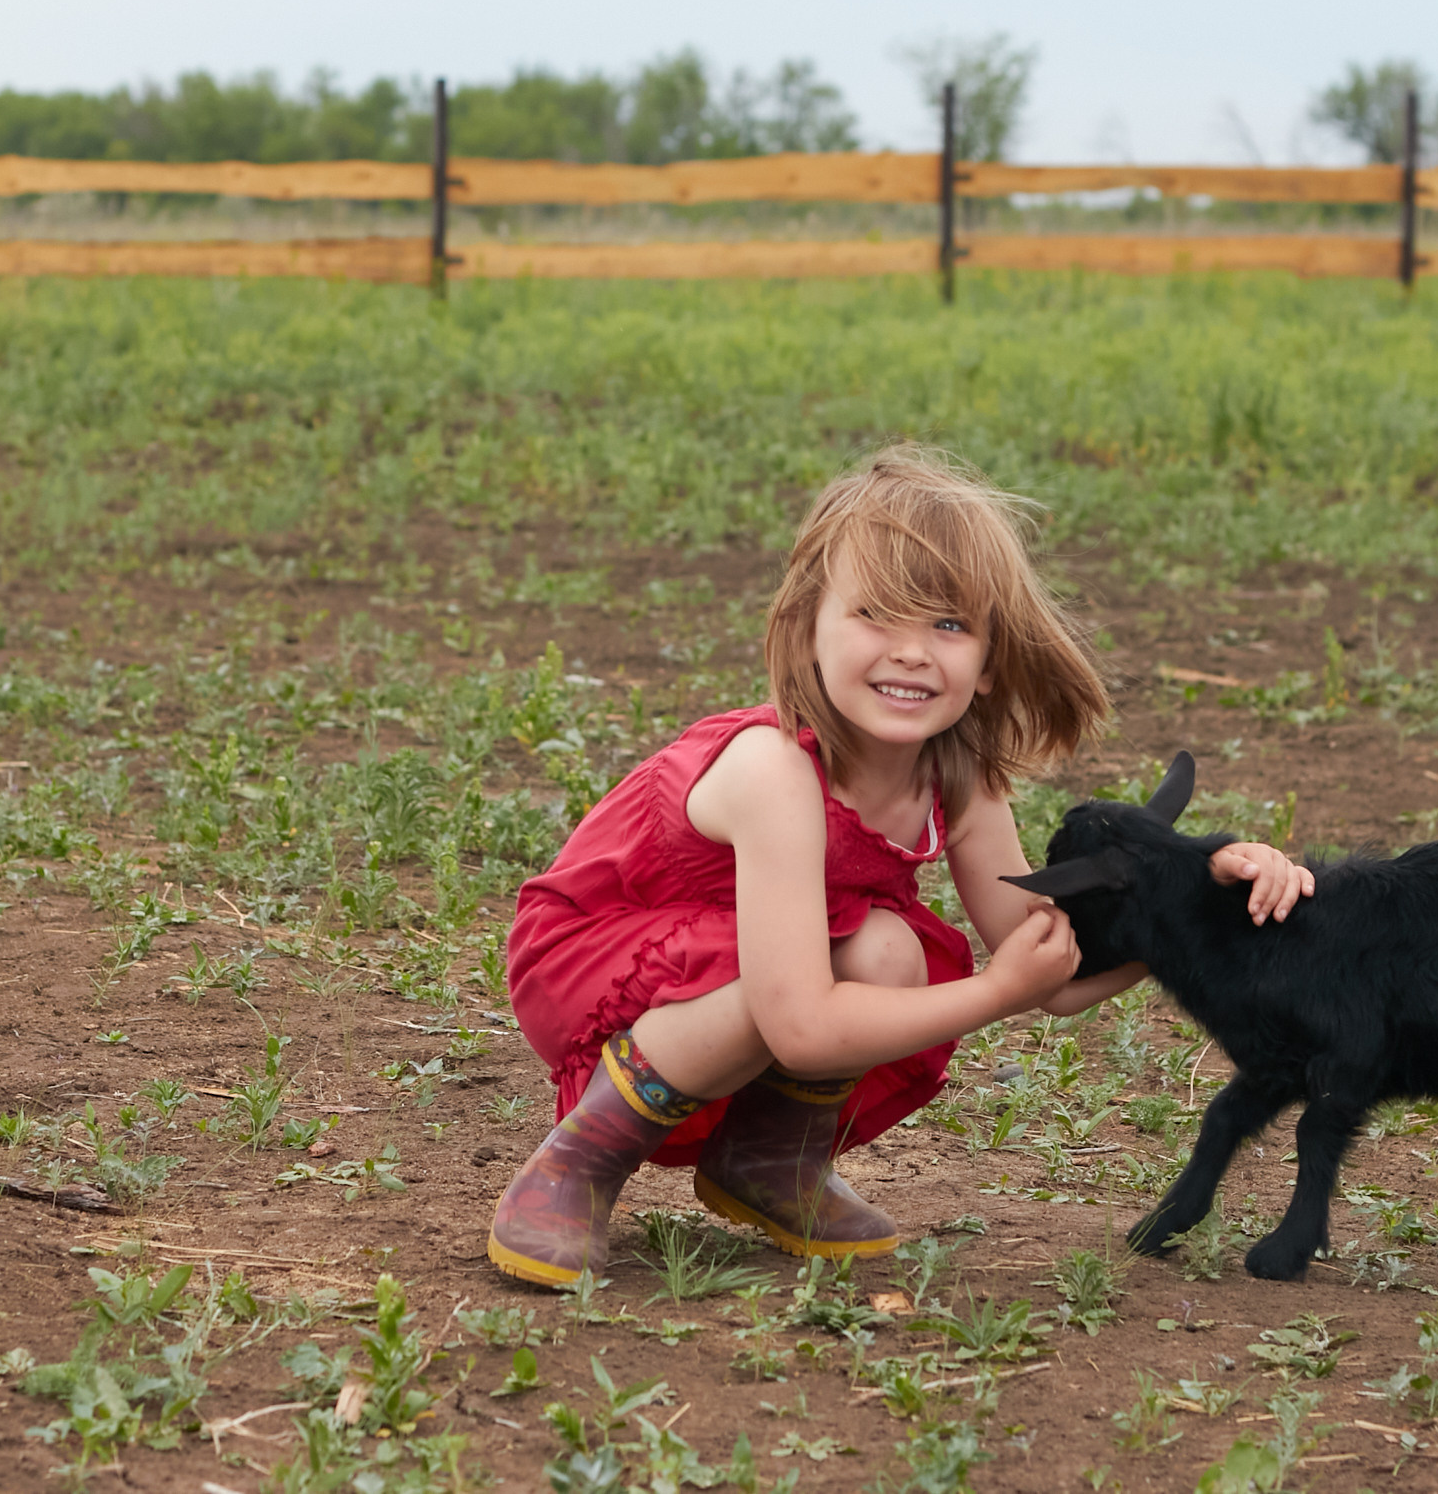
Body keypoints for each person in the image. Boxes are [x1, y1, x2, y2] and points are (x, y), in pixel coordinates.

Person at [488, 445, 1313, 1286]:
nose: (913, 651)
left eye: (949, 625)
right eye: (877, 614)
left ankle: (769, 1163)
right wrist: (993, 994)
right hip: (598, 958)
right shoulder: (773, 773)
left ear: (989, 662)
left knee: (887, 950)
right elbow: (801, 1026)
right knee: (832, 973)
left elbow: (1054, 970)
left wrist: (1202, 895)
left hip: (744, 958)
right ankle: (576, 1165)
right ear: (805, 627)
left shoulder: (958, 777)